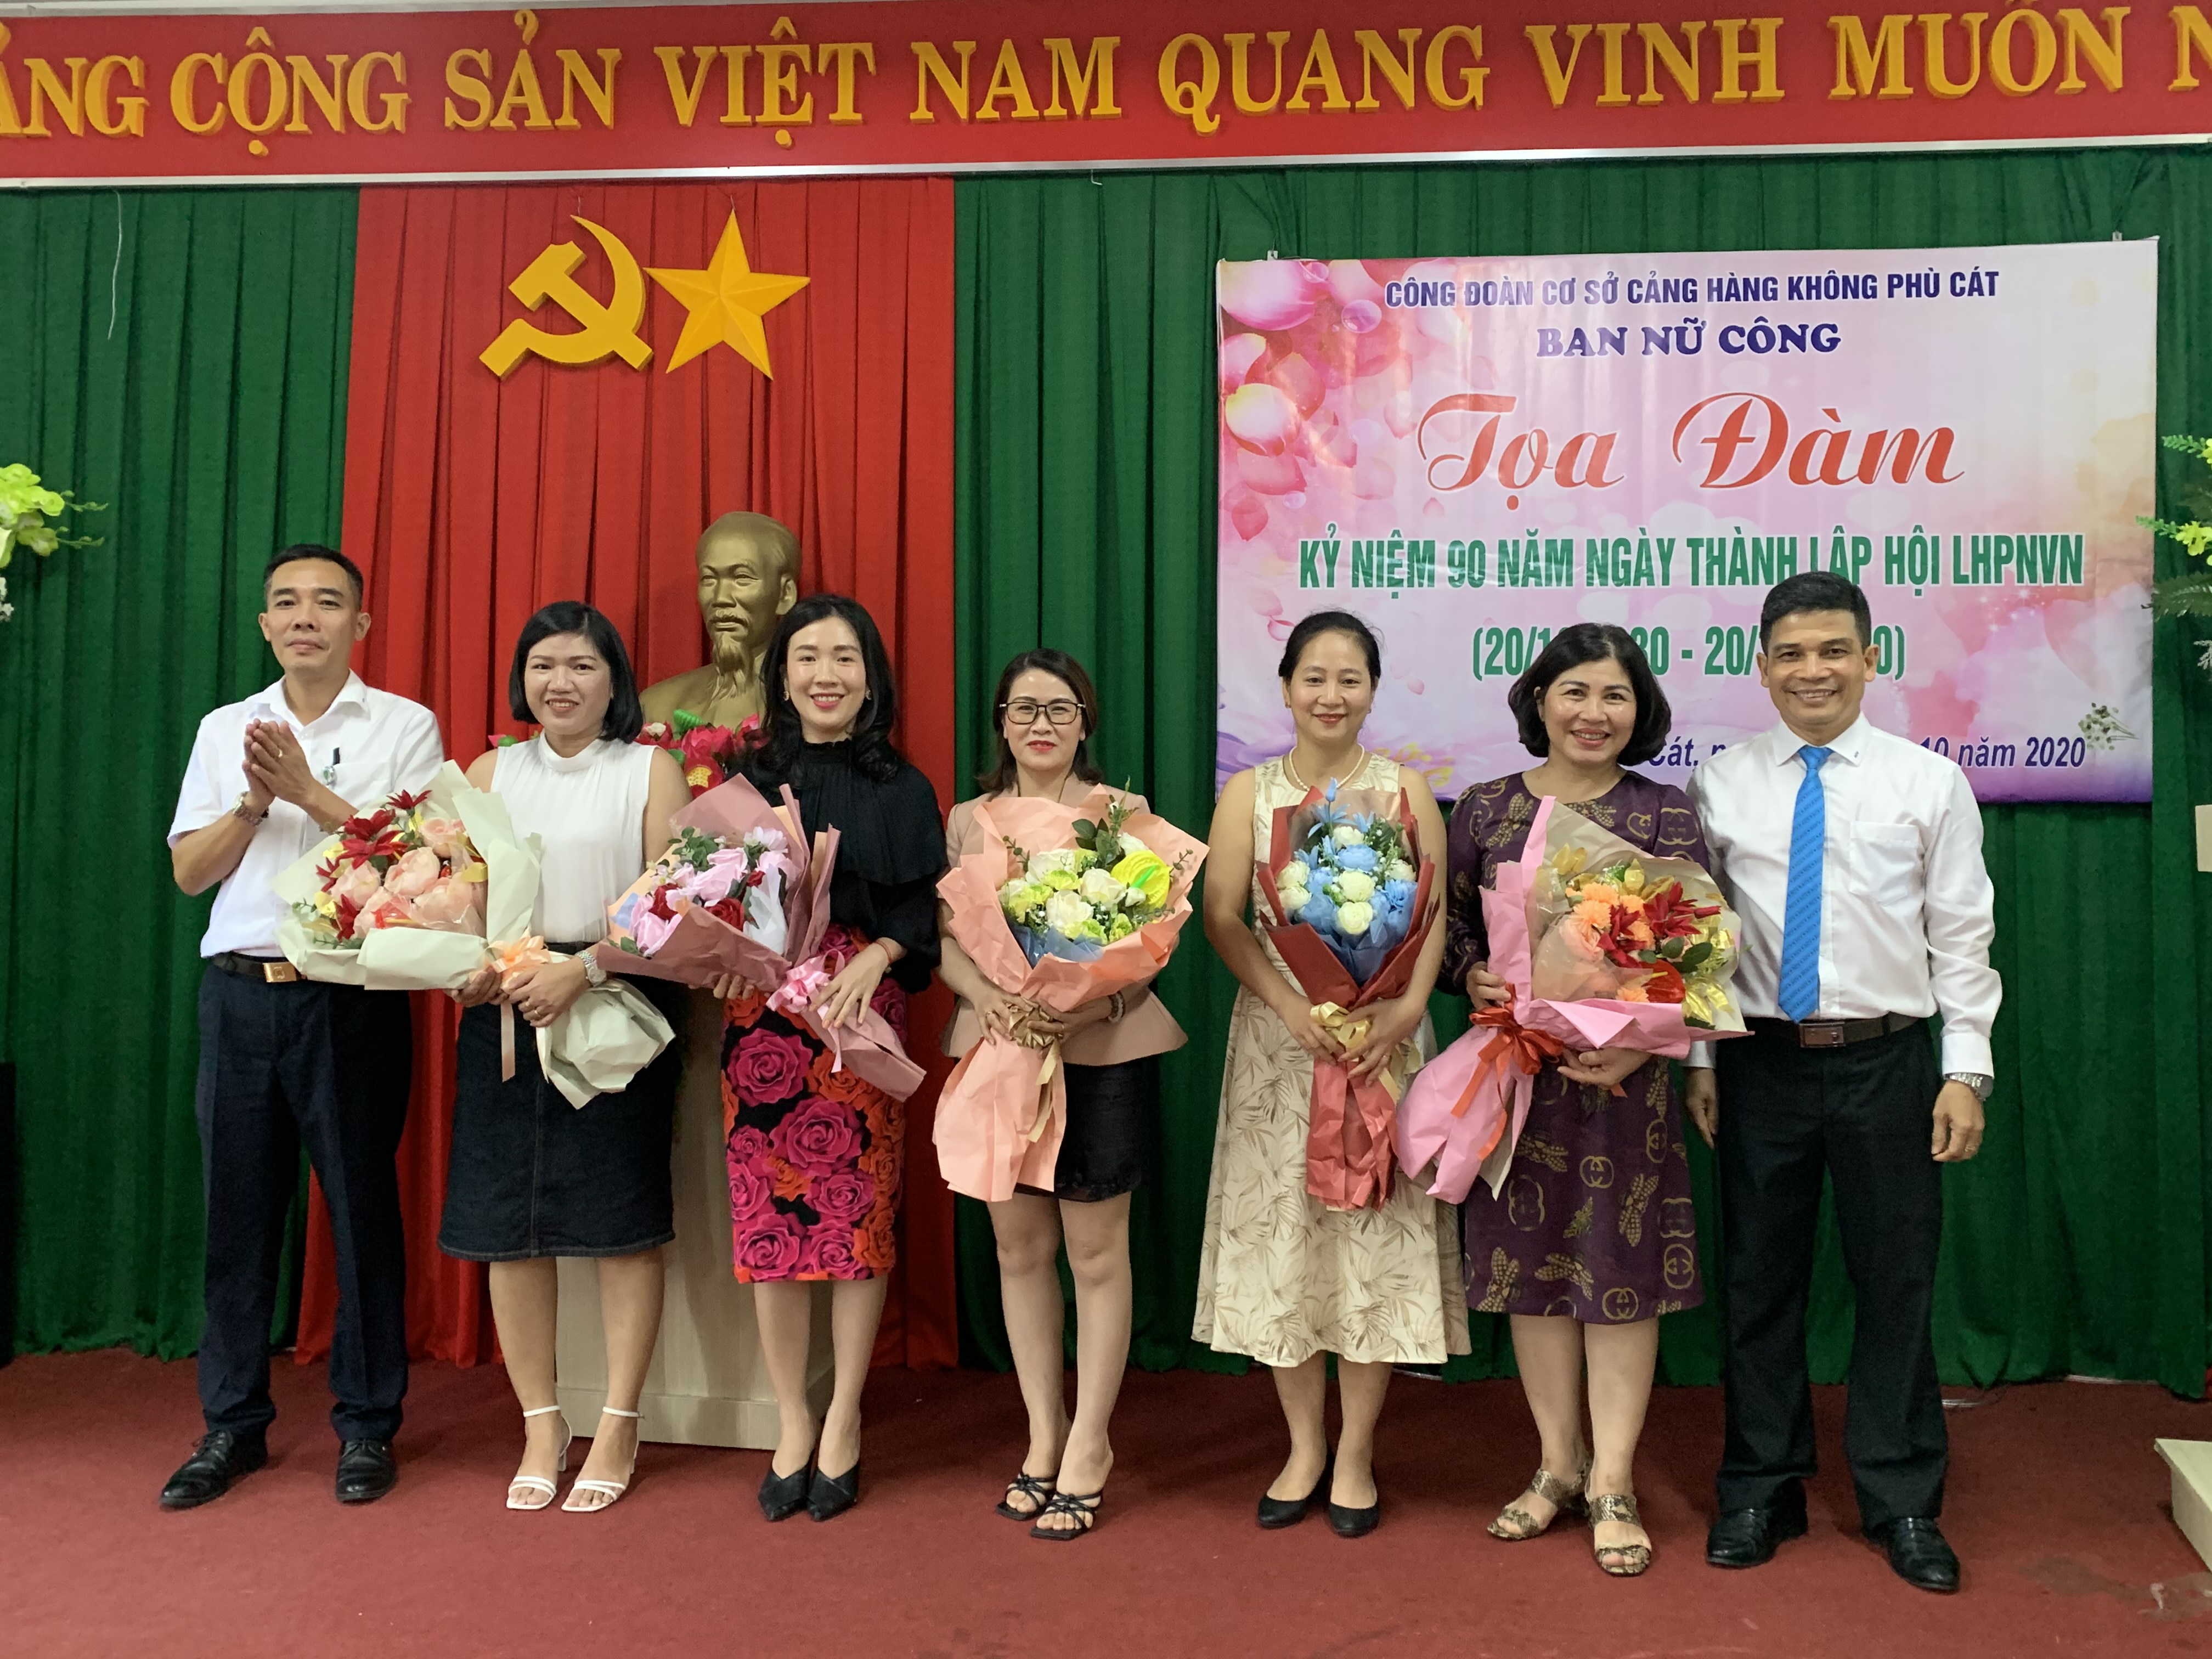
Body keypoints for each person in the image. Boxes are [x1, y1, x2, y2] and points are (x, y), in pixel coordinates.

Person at [1686, 571, 1997, 1595]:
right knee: (1757, 1280)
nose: (1811, 670)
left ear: (1871, 659)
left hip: (1889, 1061)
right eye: (1790, 653)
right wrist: (1701, 1059)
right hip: (1760, 1060)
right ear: (1762, 666)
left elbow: (1962, 937)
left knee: (1896, 1280)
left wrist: (1965, 1070)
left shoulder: (1927, 783)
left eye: (1832, 651)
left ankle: (1902, 1497)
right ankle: (1759, 1487)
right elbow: (1698, 943)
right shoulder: (1721, 784)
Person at [162, 544, 444, 1510]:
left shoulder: (404, 725)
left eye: (327, 603)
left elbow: (418, 862)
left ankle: (366, 1426)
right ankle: (231, 1424)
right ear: (265, 625)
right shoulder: (225, 729)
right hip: (239, 994)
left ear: (359, 624)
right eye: (286, 603)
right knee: (237, 1217)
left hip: (350, 998)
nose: (304, 618)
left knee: (361, 1211)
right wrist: (254, 798)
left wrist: (307, 792)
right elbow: (191, 873)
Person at [1194, 610, 1466, 1538]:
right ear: (1285, 687)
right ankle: (1305, 1446)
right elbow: (1224, 918)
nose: (1331, 695)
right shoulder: (1250, 793)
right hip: (1284, 1046)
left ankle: (1357, 1454)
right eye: (1314, 676)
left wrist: (1402, 1014)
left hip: (1381, 1046)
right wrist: (1289, 1005)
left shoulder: (1405, 790)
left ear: (1373, 691)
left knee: (1372, 1246)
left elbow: (1432, 916)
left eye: (1350, 678)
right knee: (1288, 1245)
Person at [1447, 623, 1711, 1577]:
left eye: (1615, 695)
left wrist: (1643, 1047)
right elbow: (1452, 933)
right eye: (1575, 692)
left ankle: (1615, 1481)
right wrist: (1472, 975)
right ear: (1538, 701)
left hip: (1624, 1089)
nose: (1594, 713)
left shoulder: (1663, 813)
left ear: (1641, 711)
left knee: (1617, 1275)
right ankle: (1557, 1467)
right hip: (1517, 1078)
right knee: (1532, 1272)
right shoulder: (1484, 808)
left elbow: (1699, 956)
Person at [438, 602, 691, 1513]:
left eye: (582, 666)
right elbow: (460, 896)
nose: (561, 682)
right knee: (511, 1226)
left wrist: (582, 970)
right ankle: (542, 1422)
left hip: (613, 999)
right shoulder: (489, 772)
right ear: (522, 678)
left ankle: (619, 1420)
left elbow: (673, 905)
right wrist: (467, 966)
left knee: (622, 1223)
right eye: (544, 665)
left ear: (614, 679)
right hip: (506, 1011)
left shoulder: (649, 771)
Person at [937, 649, 1187, 1540]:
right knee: (1018, 1249)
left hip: (1105, 1051)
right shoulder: (967, 820)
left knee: (1097, 1253)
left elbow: (1152, 942)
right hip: (1001, 1046)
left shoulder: (1123, 817)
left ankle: (1090, 1444)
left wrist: (1095, 1002)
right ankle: (1043, 1436)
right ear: (1001, 724)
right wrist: (989, 997)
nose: (1040, 724)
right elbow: (948, 937)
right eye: (1023, 709)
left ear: (1086, 723)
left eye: (1060, 709)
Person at [713, 594, 944, 1525]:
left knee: (857, 1224)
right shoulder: (745, 780)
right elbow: (711, 897)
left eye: (845, 657)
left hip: (857, 1013)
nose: (826, 675)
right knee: (768, 1223)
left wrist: (878, 957)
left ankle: (844, 1415)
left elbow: (923, 914)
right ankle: (792, 1420)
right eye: (807, 657)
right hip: (764, 1017)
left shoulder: (905, 789)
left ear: (871, 677)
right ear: (782, 677)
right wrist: (725, 953)